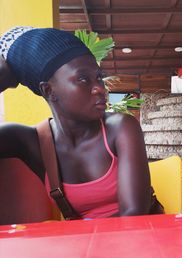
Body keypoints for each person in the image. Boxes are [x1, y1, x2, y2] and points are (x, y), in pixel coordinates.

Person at [0, 27, 154, 219]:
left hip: (135, 239)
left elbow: (133, 215)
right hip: (85, 245)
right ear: (49, 91)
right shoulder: (32, 142)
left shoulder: (120, 127)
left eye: (99, 77)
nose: (100, 88)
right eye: (83, 79)